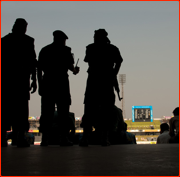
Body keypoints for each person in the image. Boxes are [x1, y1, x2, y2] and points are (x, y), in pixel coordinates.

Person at [80, 29, 123, 146]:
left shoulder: (91, 48)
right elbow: (119, 61)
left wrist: (113, 74)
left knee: (93, 109)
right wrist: (113, 74)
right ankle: (102, 137)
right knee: (104, 110)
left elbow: (119, 61)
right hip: (104, 80)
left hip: (96, 80)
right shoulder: (112, 48)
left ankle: (88, 137)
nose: (94, 38)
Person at [38, 30, 79, 146]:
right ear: (61, 39)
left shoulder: (44, 50)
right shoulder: (66, 51)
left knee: (46, 113)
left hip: (48, 84)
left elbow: (39, 70)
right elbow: (71, 68)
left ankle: (45, 139)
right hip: (62, 84)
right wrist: (75, 70)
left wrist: (40, 84)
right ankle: (63, 138)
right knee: (63, 113)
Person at [1, 18, 37, 147]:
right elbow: (33, 62)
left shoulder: (4, 40)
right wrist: (34, 79)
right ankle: (18, 137)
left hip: (8, 80)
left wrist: (34, 78)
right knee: (19, 110)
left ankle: (7, 137)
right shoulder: (27, 41)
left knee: (8, 109)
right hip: (18, 80)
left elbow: (33, 62)